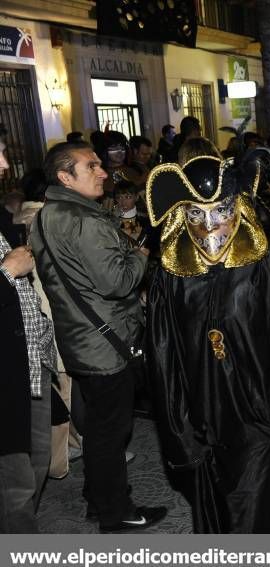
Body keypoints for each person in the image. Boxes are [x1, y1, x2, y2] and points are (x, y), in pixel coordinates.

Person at [145, 146, 270, 533]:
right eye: (196, 214)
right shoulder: (170, 278)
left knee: (259, 512)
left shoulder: (265, 267)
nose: (210, 226)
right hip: (204, 423)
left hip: (261, 417)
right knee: (218, 514)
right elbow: (162, 359)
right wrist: (180, 434)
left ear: (238, 209)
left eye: (220, 211)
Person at [29, 141, 167, 532]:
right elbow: (118, 281)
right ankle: (116, 511)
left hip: (79, 338)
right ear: (65, 177)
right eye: (92, 167)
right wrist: (140, 252)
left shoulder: (44, 216)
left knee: (98, 429)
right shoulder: (85, 220)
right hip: (106, 343)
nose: (104, 172)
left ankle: (98, 499)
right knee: (111, 431)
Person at [0, 150, 56, 533]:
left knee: (37, 464)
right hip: (5, 376)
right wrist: (6, 273)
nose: (5, 164)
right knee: (15, 487)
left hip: (29, 363)